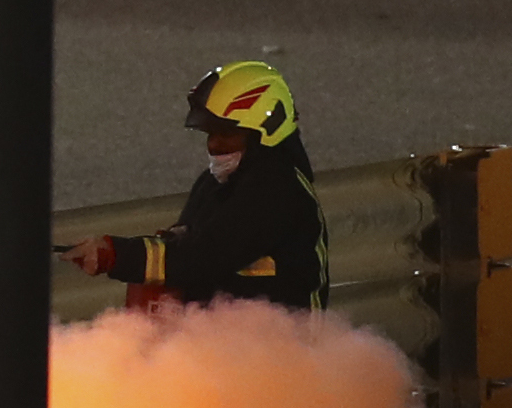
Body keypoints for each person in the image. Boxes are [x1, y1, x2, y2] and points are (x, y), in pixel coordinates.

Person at [60, 61, 329, 310]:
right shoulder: (214, 184)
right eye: (210, 133)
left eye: (226, 133)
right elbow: (185, 249)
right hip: (230, 346)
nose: (214, 144)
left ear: (267, 128)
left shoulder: (277, 192)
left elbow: (204, 257)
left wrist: (115, 255)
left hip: (282, 351)